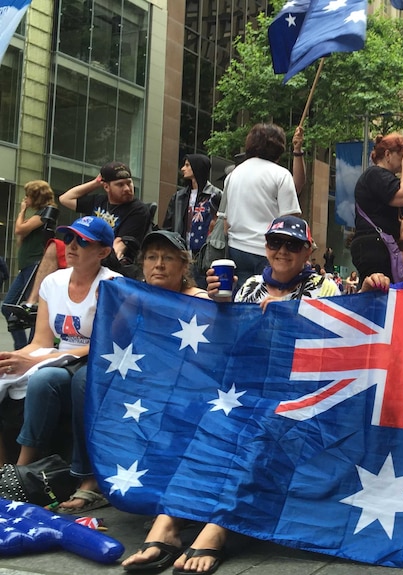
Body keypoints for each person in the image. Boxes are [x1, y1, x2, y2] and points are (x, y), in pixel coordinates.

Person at [122, 215, 336, 575]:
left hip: (296, 392)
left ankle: (217, 529)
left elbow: (334, 347)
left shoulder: (325, 288)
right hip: (246, 387)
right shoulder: (250, 285)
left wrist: (294, 320)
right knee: (206, 421)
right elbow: (230, 341)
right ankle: (168, 524)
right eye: (275, 243)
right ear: (265, 247)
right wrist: (220, 305)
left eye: (293, 245)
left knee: (259, 428)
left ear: (307, 250)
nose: (282, 251)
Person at [0, 216, 121, 508]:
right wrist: (17, 358)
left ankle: (65, 474)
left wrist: (38, 362)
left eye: (83, 241)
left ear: (103, 252)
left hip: (94, 360)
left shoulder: (114, 285)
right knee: (26, 377)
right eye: (68, 239)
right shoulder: (52, 282)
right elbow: (41, 341)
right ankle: (12, 470)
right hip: (57, 359)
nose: (71, 246)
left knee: (60, 379)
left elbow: (104, 345)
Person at [15, 162, 151, 312]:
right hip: (86, 249)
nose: (127, 188)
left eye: (129, 183)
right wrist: (95, 183)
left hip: (109, 257)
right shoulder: (98, 201)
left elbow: (119, 245)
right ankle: (33, 304)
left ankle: (68, 301)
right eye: (120, 185)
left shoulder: (138, 210)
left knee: (77, 252)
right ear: (106, 187)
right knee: (54, 246)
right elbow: (65, 199)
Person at [224, 123, 301, 288]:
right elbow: (290, 221)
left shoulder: (233, 175)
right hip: (267, 251)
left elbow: (225, 220)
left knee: (240, 300)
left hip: (235, 248)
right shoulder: (281, 174)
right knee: (265, 302)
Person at [350, 133, 403, 284]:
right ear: (388, 155)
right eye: (401, 156)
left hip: (382, 246)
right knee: (378, 290)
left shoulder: (382, 177)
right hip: (376, 247)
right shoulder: (375, 174)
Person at [2, 181, 56, 349]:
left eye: (28, 196)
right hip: (27, 265)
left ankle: (30, 346)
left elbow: (19, 229)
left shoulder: (45, 212)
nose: (25, 199)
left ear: (36, 197)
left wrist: (22, 210)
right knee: (9, 306)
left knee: (32, 309)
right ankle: (23, 346)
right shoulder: (39, 214)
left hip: (35, 264)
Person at [163, 154, 223, 288]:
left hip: (205, 256)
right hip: (182, 253)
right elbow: (168, 224)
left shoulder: (216, 195)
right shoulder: (179, 196)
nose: (183, 169)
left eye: (187, 165)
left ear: (197, 167)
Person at [140, 230, 210, 298]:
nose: (159, 265)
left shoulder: (199, 302)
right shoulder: (133, 300)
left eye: (168, 258)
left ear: (184, 266)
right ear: (142, 264)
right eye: (152, 257)